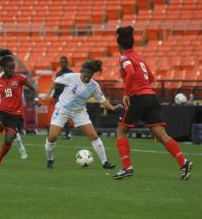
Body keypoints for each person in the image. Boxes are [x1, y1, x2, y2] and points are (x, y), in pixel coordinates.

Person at [114, 26, 193, 180]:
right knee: (162, 135)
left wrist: (126, 93)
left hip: (138, 98)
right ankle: (183, 162)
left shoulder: (124, 57)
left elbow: (130, 72)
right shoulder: (139, 57)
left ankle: (126, 167)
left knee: (121, 131)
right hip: (151, 97)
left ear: (119, 46)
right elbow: (151, 78)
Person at [45, 60, 120, 169]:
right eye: (85, 76)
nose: (86, 79)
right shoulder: (71, 77)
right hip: (62, 110)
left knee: (94, 136)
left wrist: (112, 107)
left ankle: (105, 162)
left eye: (89, 77)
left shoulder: (94, 86)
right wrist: (48, 94)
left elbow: (102, 100)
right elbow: (55, 81)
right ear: (82, 72)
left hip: (79, 112)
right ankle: (50, 160)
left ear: (92, 75)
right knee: (52, 137)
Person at [0, 49, 28, 160]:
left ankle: (21, 148)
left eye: (1, 59)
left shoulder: (11, 74)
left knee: (14, 134)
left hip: (10, 107)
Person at [49, 56, 74, 139]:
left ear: (67, 63)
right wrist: (54, 97)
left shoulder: (71, 73)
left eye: (63, 62)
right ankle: (63, 133)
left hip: (67, 98)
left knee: (64, 116)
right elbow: (56, 86)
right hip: (58, 98)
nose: (62, 64)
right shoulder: (59, 73)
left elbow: (73, 86)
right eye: (60, 62)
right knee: (59, 115)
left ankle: (68, 132)